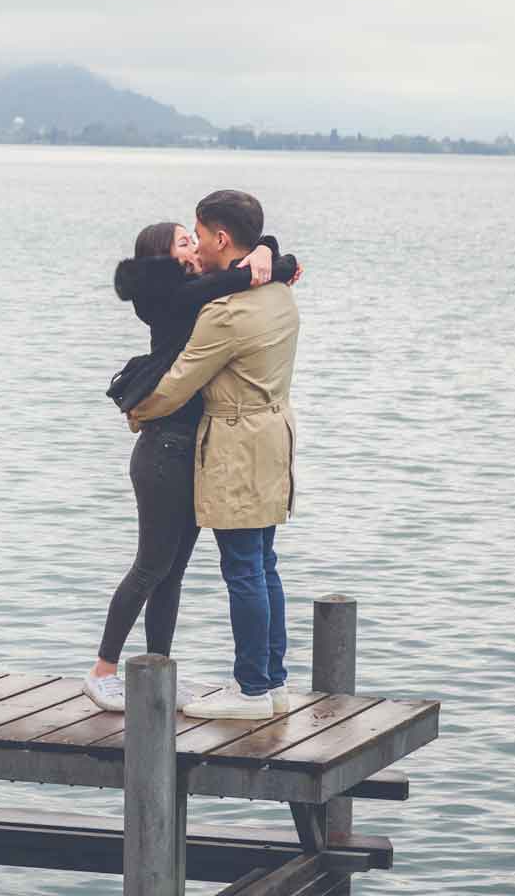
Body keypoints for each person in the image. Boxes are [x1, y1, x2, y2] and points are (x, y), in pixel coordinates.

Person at [82, 221, 299, 713]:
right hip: (162, 450)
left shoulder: (193, 290)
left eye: (194, 236)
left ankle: (157, 667)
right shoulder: (169, 294)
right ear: (165, 257)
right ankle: (103, 671)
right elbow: (228, 281)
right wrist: (273, 261)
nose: (196, 247)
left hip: (193, 453)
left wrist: (266, 249)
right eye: (185, 242)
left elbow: (232, 275)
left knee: (173, 571)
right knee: (149, 566)